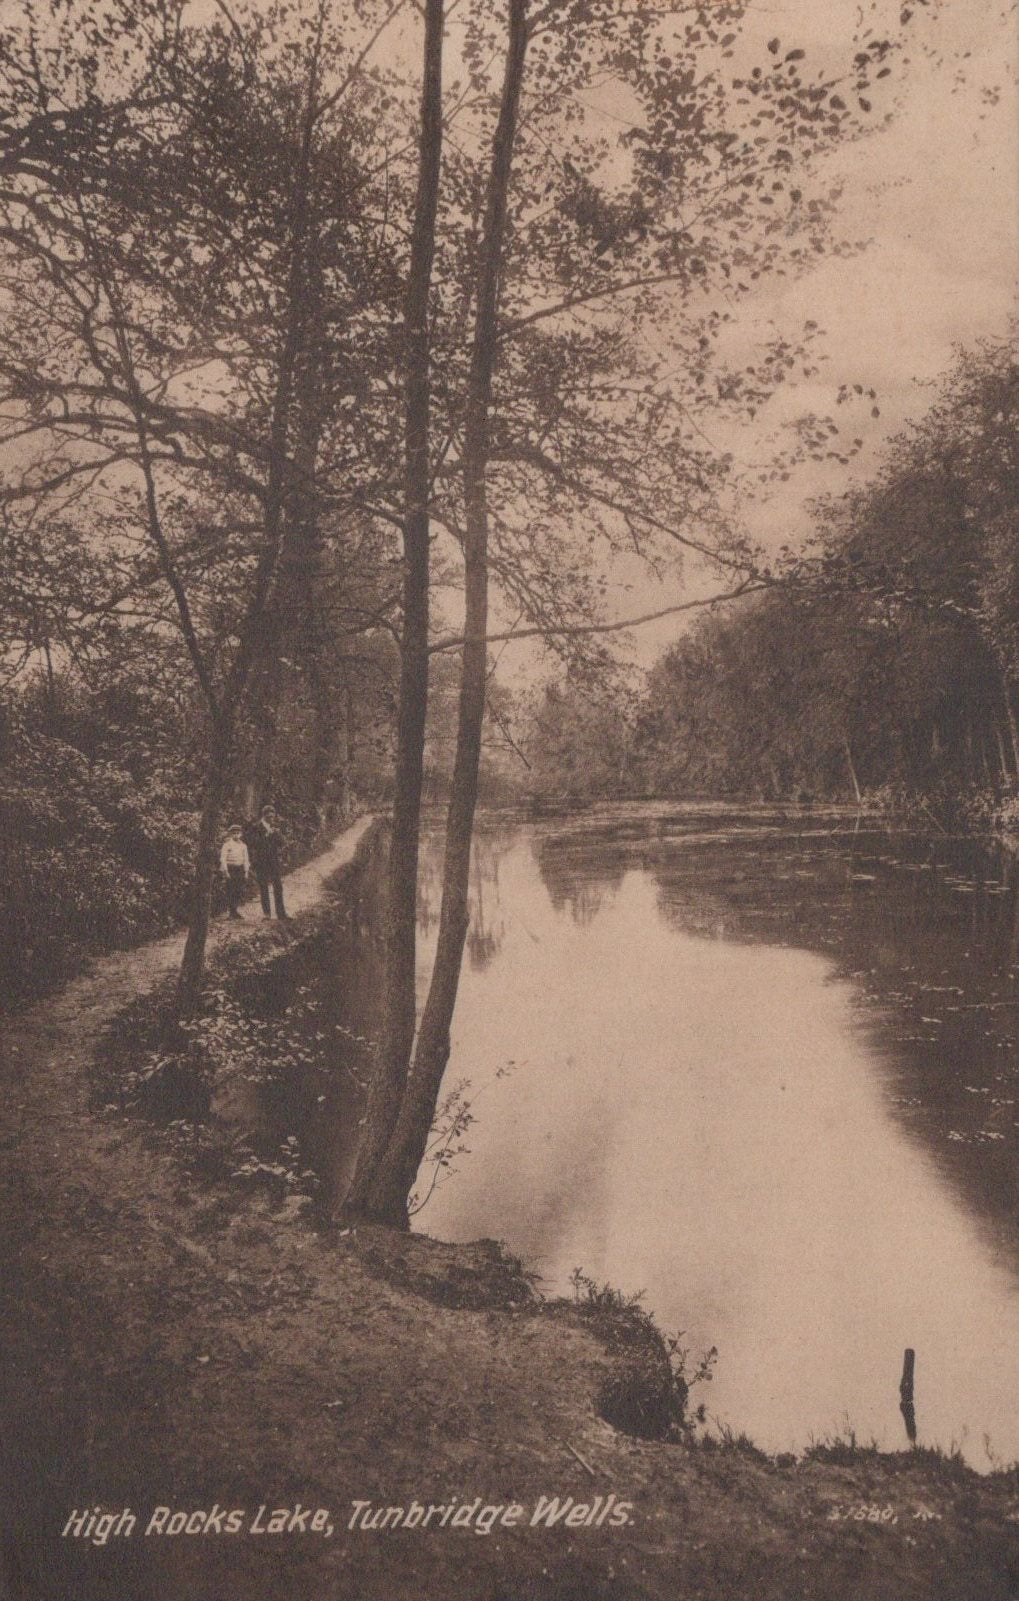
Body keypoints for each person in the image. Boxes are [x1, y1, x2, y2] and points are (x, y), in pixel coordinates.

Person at [245, 805, 288, 919]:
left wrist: (277, 834)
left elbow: (283, 843)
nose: (271, 818)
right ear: (264, 816)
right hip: (261, 861)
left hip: (273, 861)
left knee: (278, 886)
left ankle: (281, 913)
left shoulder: (274, 827)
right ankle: (267, 914)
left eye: (272, 815)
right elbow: (251, 842)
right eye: (269, 816)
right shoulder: (256, 827)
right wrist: (266, 835)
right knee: (263, 886)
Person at [218, 823, 250, 919]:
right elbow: (223, 858)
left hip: (239, 869)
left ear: (241, 834)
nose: (236, 835)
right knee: (230, 890)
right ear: (231, 834)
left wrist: (246, 871)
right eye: (234, 833)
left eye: (238, 833)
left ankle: (235, 911)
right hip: (230, 869)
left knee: (238, 890)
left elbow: (246, 859)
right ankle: (231, 912)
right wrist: (226, 872)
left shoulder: (243, 846)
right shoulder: (227, 845)